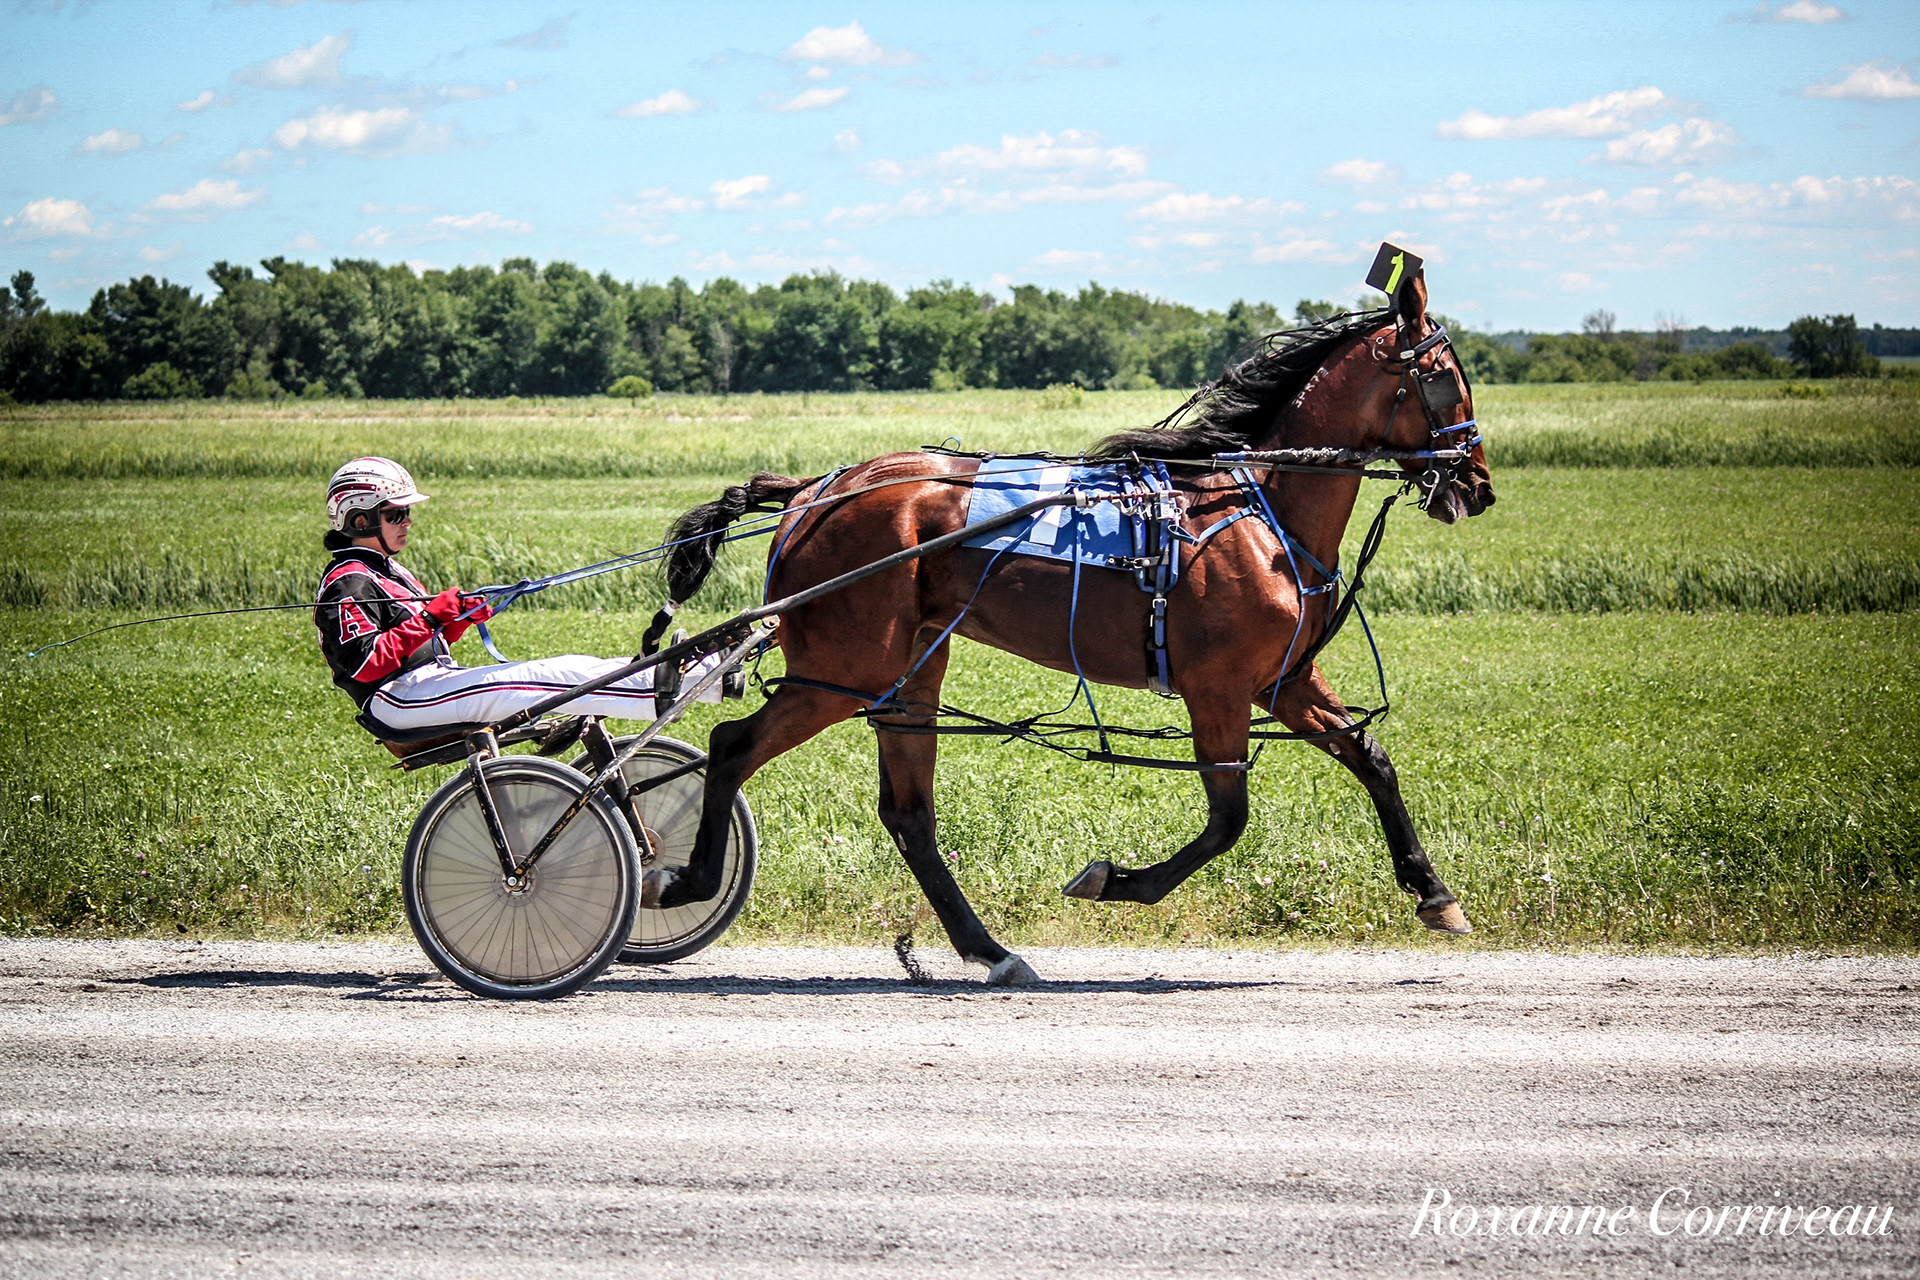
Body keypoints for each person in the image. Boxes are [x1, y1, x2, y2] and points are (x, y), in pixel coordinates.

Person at [314, 456, 716, 737]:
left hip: (425, 683)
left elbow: (421, 644)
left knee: (563, 668)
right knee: (535, 679)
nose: (407, 522)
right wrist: (432, 619)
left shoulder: (387, 569)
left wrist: (457, 621)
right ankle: (663, 688)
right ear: (360, 518)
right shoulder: (348, 581)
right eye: (396, 514)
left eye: (406, 513)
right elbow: (364, 664)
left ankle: (707, 676)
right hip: (397, 700)